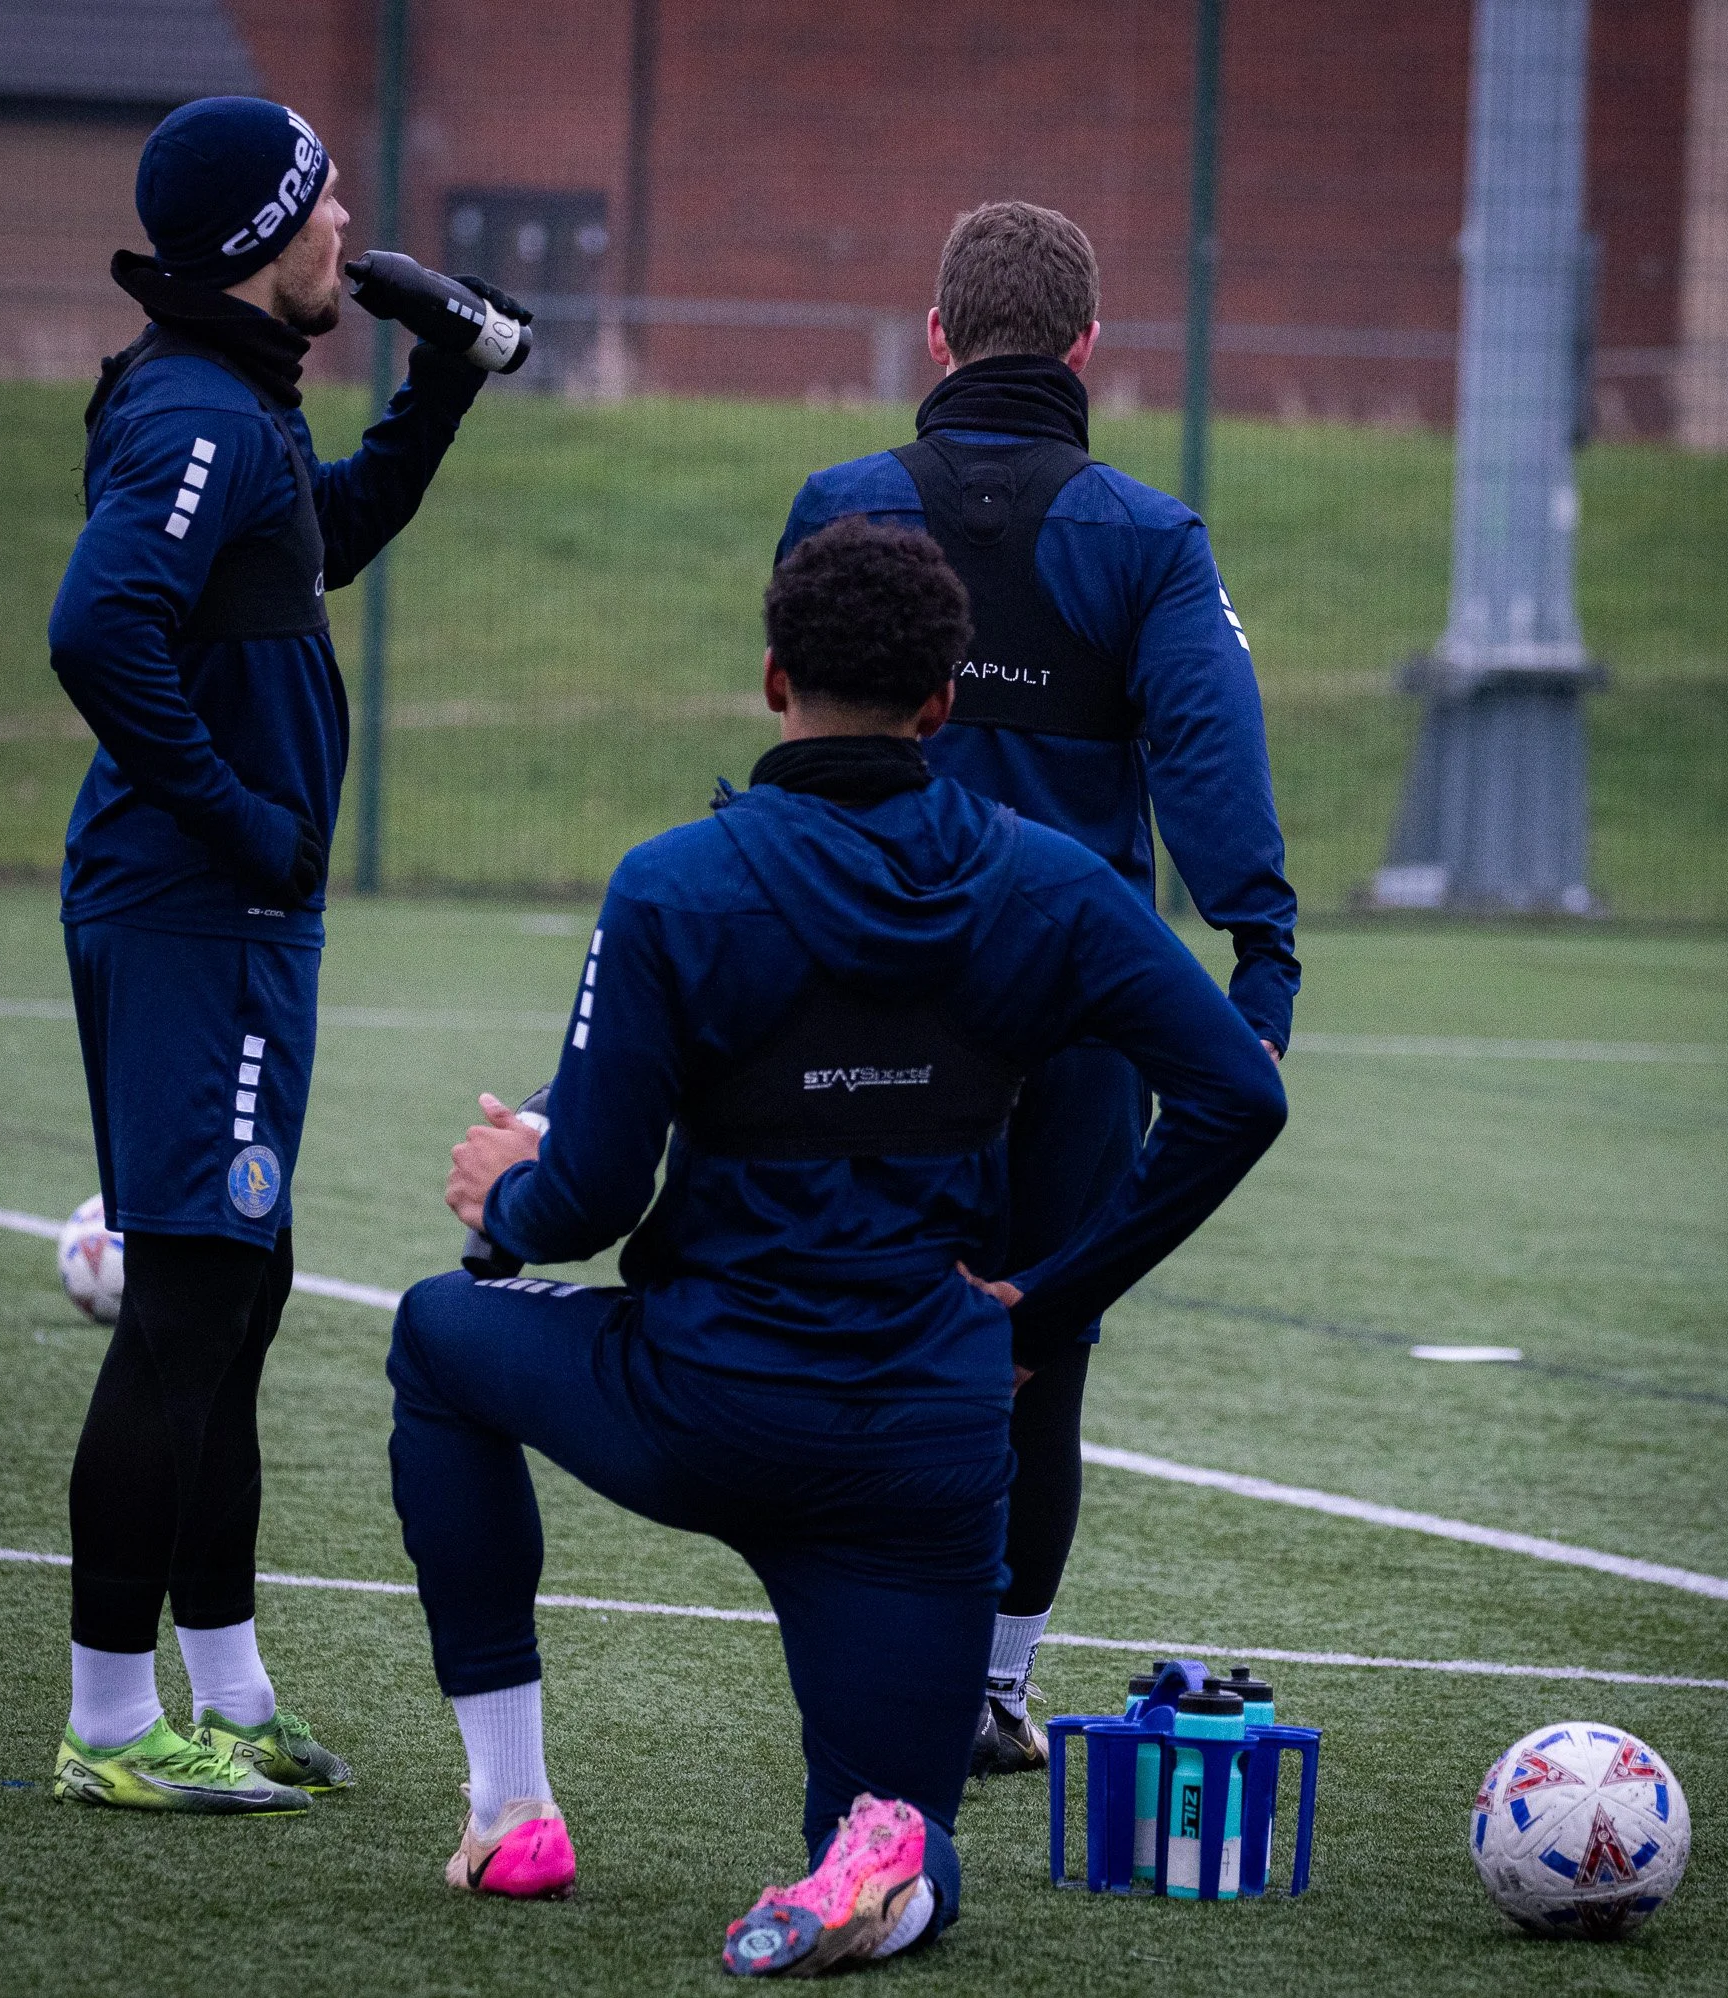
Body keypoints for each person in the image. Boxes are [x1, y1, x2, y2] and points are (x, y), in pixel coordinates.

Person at [388, 518, 1286, 1974]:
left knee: (438, 1337)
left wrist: (506, 1195)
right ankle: (884, 1865)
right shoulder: (1051, 883)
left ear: (772, 677)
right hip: (924, 1441)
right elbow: (1240, 1094)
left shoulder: (672, 883)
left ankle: (513, 1808)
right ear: (945, 703)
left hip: (697, 1399)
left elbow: (595, 1196)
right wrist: (1045, 1307)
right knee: (898, 1833)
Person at [776, 201, 1300, 1774]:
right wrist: (1259, 962)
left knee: (867, 1324)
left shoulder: (843, 501)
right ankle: (994, 1684)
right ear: (1086, 348)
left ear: (937, 337)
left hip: (869, 1006)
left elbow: (805, 748)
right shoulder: (1148, 538)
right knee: (1034, 1348)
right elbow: (1213, 773)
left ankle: (871, 1666)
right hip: (1067, 1024)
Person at [47, 96, 516, 1813]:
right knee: (185, 1303)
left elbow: (317, 540)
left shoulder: (236, 400)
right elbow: (100, 627)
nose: (352, 238)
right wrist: (246, 819)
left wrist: (441, 387)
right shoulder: (190, 408)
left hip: (224, 915)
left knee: (232, 1297)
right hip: (194, 909)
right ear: (267, 234)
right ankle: (111, 1724)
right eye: (327, 215)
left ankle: (227, 1686)